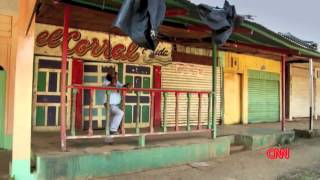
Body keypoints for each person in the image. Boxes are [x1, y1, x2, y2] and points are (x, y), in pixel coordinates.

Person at [103, 68, 131, 135]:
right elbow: (111, 86)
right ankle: (113, 130)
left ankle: (109, 140)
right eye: (115, 76)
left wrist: (127, 85)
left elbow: (122, 86)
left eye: (116, 76)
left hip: (115, 105)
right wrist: (113, 78)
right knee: (120, 113)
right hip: (109, 104)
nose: (116, 77)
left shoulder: (117, 82)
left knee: (110, 122)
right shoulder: (106, 81)